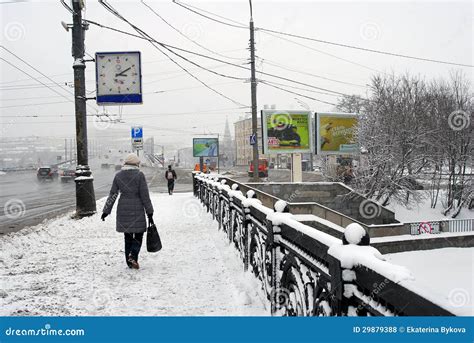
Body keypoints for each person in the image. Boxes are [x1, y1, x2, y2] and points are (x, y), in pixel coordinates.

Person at [101, 153, 154, 270]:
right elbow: (145, 195)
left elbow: (113, 194)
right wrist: (149, 212)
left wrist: (106, 210)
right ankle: (133, 255)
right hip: (138, 208)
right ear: (136, 164)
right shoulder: (140, 175)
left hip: (123, 208)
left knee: (128, 236)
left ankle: (129, 262)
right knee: (139, 235)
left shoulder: (118, 176)